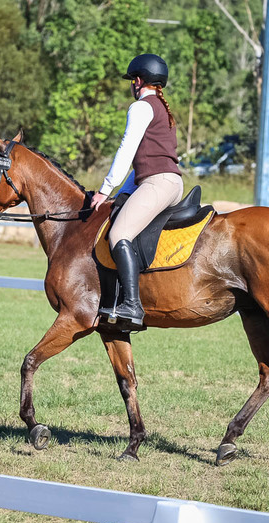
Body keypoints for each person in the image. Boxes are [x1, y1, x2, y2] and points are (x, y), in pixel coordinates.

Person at [90, 53, 183, 327]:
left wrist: (105, 190)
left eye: (132, 80)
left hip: (158, 183)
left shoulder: (141, 107)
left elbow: (126, 151)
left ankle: (132, 305)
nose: (132, 84)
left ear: (139, 81)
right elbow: (145, 162)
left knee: (119, 233)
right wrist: (124, 192)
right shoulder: (163, 109)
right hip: (169, 182)